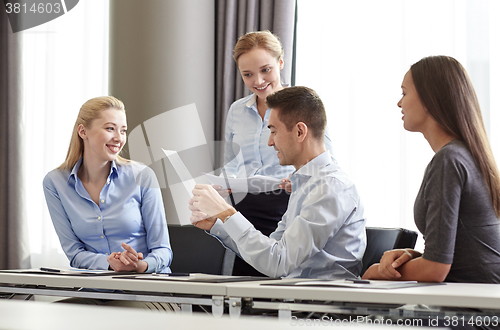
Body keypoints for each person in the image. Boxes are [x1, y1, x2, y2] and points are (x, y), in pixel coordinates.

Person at [190, 86, 366, 279]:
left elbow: (278, 263)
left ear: (300, 132)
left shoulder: (330, 187)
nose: (270, 142)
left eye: (273, 131)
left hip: (316, 305)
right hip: (294, 301)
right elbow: (268, 255)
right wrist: (219, 224)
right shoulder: (306, 184)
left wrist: (227, 213)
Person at [362, 56, 500, 285]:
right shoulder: (465, 155)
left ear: (429, 99)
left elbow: (435, 270)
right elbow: (457, 253)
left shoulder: (448, 160)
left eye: (404, 93)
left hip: (473, 313)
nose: (399, 103)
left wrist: (374, 272)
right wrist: (413, 256)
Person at [43, 96, 177, 311]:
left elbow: (163, 250)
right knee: (51, 316)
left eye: (123, 130)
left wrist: (140, 266)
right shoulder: (55, 183)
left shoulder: (142, 176)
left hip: (149, 291)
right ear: (83, 131)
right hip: (95, 293)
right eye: (110, 128)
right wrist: (108, 262)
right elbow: (75, 253)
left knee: (116, 319)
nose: (119, 138)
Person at [222, 30, 336, 276]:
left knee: (275, 271)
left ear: (280, 63)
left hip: (286, 204)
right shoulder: (237, 111)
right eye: (248, 74)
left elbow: (325, 161)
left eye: (265, 70)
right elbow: (231, 163)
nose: (258, 81)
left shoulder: (301, 106)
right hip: (244, 204)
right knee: (237, 282)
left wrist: (297, 181)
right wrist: (223, 184)